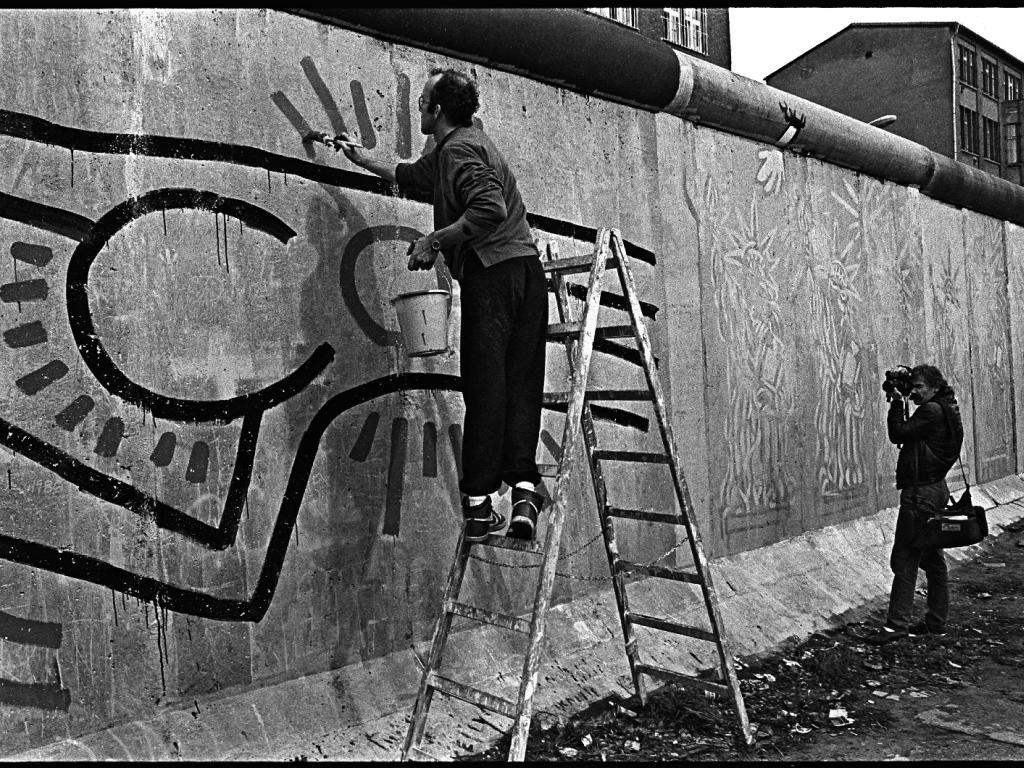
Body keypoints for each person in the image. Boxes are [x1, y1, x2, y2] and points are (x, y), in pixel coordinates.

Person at [335, 67, 548, 543]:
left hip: (495, 275)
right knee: (520, 384)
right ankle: (525, 492)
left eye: (423, 102)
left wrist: (434, 239)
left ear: (435, 111)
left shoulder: (460, 151)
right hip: (524, 272)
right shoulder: (460, 145)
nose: (417, 108)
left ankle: (476, 506)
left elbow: (488, 209)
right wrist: (360, 158)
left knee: (485, 386)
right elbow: (411, 175)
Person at [867, 364, 964, 645]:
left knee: (905, 558)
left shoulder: (932, 410)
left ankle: (895, 625)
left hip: (920, 494)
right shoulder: (946, 408)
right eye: (913, 387)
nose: (914, 392)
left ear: (935, 387)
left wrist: (897, 403)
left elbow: (898, 433)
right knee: (932, 559)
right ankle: (936, 622)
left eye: (919, 387)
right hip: (934, 489)